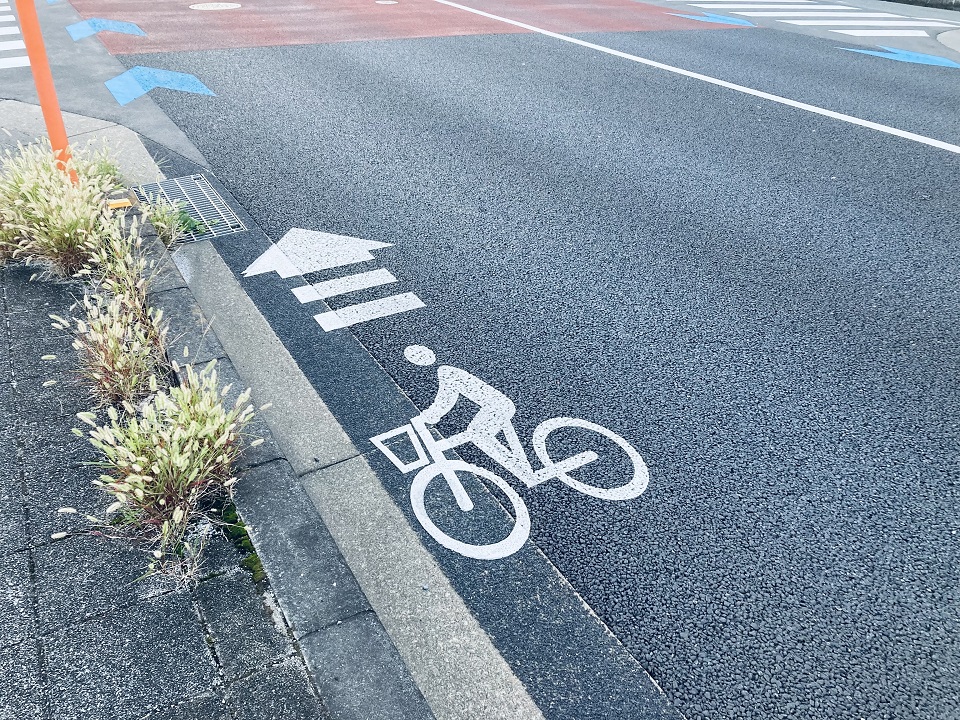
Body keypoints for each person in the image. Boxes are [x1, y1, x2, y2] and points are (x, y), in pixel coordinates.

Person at [405, 345, 531, 486]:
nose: (420, 357)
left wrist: (429, 417)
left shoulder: (445, 370)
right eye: (414, 357)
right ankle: (521, 467)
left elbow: (446, 398)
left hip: (498, 406)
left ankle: (522, 471)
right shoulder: (442, 369)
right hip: (496, 406)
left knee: (477, 432)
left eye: (420, 352)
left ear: (430, 352)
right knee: (475, 432)